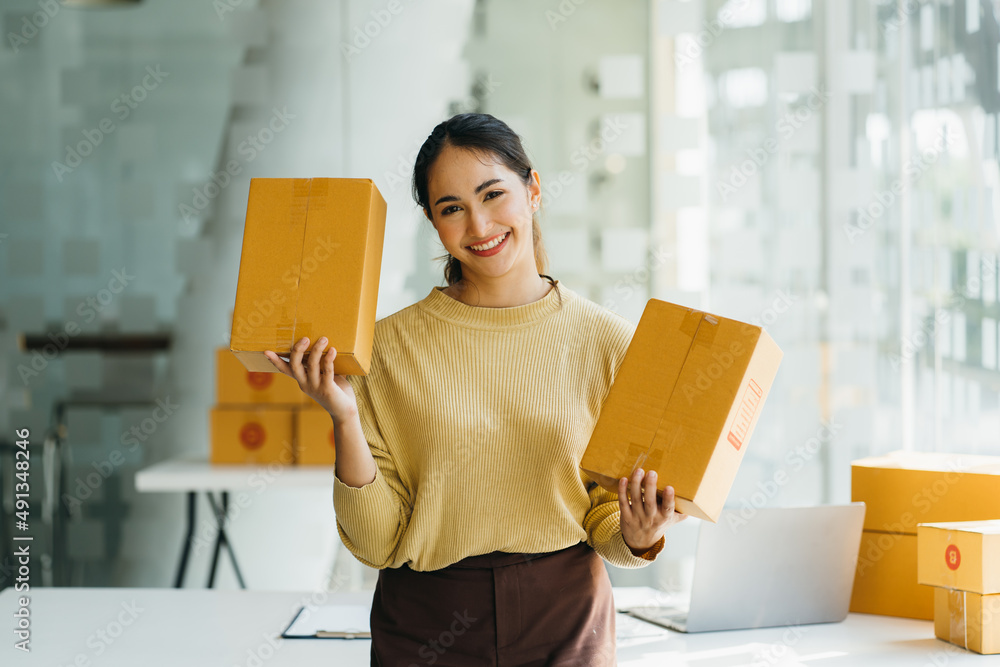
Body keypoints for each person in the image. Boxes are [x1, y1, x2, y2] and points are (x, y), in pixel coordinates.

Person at [266, 113, 686, 666]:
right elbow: (376, 543)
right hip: (425, 626)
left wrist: (637, 533)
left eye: (493, 194)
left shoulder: (606, 340)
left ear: (532, 190)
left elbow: (605, 520)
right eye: (452, 209)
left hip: (566, 619)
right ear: (432, 222)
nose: (480, 225)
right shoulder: (385, 348)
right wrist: (344, 418)